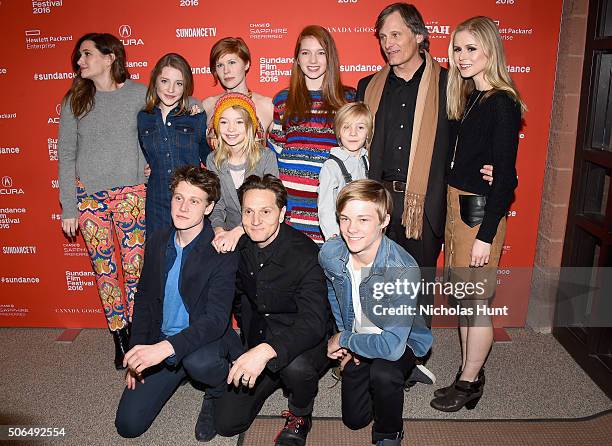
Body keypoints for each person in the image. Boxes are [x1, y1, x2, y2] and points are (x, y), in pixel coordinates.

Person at [356, 2, 493, 387]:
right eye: (382, 37)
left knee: (416, 287)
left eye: (395, 34)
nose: (388, 43)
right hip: (378, 201)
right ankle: (379, 354)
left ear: (419, 36)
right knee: (378, 281)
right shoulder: (369, 86)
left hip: (424, 204)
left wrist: (494, 164)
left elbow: (476, 134)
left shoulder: (452, 82)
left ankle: (413, 357)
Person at [430, 16, 524, 412]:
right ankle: (470, 373)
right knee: (464, 297)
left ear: (490, 50)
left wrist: (486, 235)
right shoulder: (469, 97)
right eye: (457, 48)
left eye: (471, 48)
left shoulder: (502, 102)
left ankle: (468, 381)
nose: (462, 56)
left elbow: (505, 178)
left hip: (478, 209)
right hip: (458, 204)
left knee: (474, 301)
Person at [115, 166, 239, 441]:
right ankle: (177, 371)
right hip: (163, 341)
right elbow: (145, 300)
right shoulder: (158, 240)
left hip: (203, 340)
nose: (183, 208)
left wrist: (163, 349)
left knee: (199, 362)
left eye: (194, 201)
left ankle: (216, 390)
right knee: (128, 425)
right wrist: (139, 352)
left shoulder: (221, 250)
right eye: (178, 198)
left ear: (208, 208)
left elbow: (216, 320)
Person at [214, 174, 331, 446]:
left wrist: (266, 351)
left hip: (303, 341)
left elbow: (314, 323)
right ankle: (272, 378)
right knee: (227, 423)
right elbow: (238, 297)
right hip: (260, 338)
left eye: (265, 211)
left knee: (296, 369)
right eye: (248, 212)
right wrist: (248, 345)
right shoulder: (240, 248)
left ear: (282, 213)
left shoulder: (306, 254)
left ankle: (301, 414)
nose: (255, 221)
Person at [319, 179, 432, 446]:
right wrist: (349, 337)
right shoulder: (331, 254)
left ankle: (389, 434)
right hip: (361, 334)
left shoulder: (402, 269)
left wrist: (343, 341)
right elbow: (335, 294)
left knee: (385, 371)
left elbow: (392, 346)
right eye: (345, 219)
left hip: (400, 339)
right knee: (354, 420)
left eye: (363, 220)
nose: (351, 229)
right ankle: (403, 373)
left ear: (384, 221)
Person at [58, 33, 147, 369]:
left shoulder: (139, 93)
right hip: (89, 199)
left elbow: (174, 104)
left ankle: (137, 335)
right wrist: (69, 207)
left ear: (111, 57)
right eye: (78, 56)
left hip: (132, 194)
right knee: (105, 271)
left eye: (87, 54)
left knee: (135, 269)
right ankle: (120, 336)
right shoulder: (74, 101)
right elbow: (66, 155)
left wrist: (200, 105)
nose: (80, 61)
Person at [269, 25, 355, 245]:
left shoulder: (348, 100)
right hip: (290, 211)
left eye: (321, 52)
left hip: (330, 213)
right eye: (305, 52)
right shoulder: (282, 100)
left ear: (330, 57)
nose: (313, 60)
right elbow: (275, 151)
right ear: (297, 59)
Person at [138, 53, 210, 234]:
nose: (171, 89)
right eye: (164, 81)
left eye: (179, 83)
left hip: (190, 201)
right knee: (159, 256)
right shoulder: (144, 118)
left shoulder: (196, 116)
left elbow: (209, 158)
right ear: (155, 81)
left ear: (186, 86)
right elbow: (145, 155)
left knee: (191, 258)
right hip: (157, 201)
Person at [206, 93, 279, 254]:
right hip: (229, 238)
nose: (231, 129)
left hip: (263, 236)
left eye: (239, 122)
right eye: (224, 122)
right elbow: (217, 205)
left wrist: (237, 232)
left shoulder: (266, 157)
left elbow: (272, 205)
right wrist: (219, 231)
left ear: (250, 126)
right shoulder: (213, 160)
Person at [318, 102, 372, 240]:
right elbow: (325, 208)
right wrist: (334, 238)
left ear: (368, 133)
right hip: (342, 235)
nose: (353, 133)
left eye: (360, 127)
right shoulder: (332, 166)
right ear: (338, 133)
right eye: (346, 127)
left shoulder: (366, 161)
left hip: (363, 233)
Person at [202, 37, 273, 134]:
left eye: (232, 62)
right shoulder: (207, 105)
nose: (226, 71)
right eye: (220, 65)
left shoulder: (268, 106)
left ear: (246, 64)